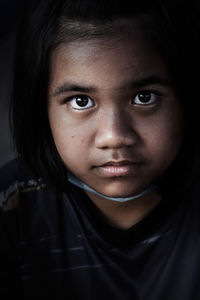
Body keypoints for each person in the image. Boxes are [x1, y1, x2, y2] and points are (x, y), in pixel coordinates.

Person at [1, 0, 200, 299]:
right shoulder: (11, 205)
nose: (114, 137)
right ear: (41, 110)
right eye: (81, 101)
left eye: (144, 97)